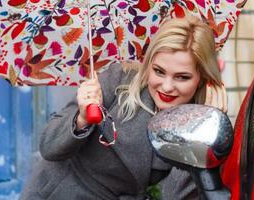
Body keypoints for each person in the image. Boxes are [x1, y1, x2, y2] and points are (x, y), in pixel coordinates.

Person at [20, 15, 227, 200]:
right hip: (57, 193)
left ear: (201, 79)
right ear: (148, 65)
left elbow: (172, 195)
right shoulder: (119, 78)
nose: (166, 86)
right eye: (159, 71)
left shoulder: (198, 122)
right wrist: (81, 119)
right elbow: (48, 147)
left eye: (182, 77)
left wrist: (202, 132)